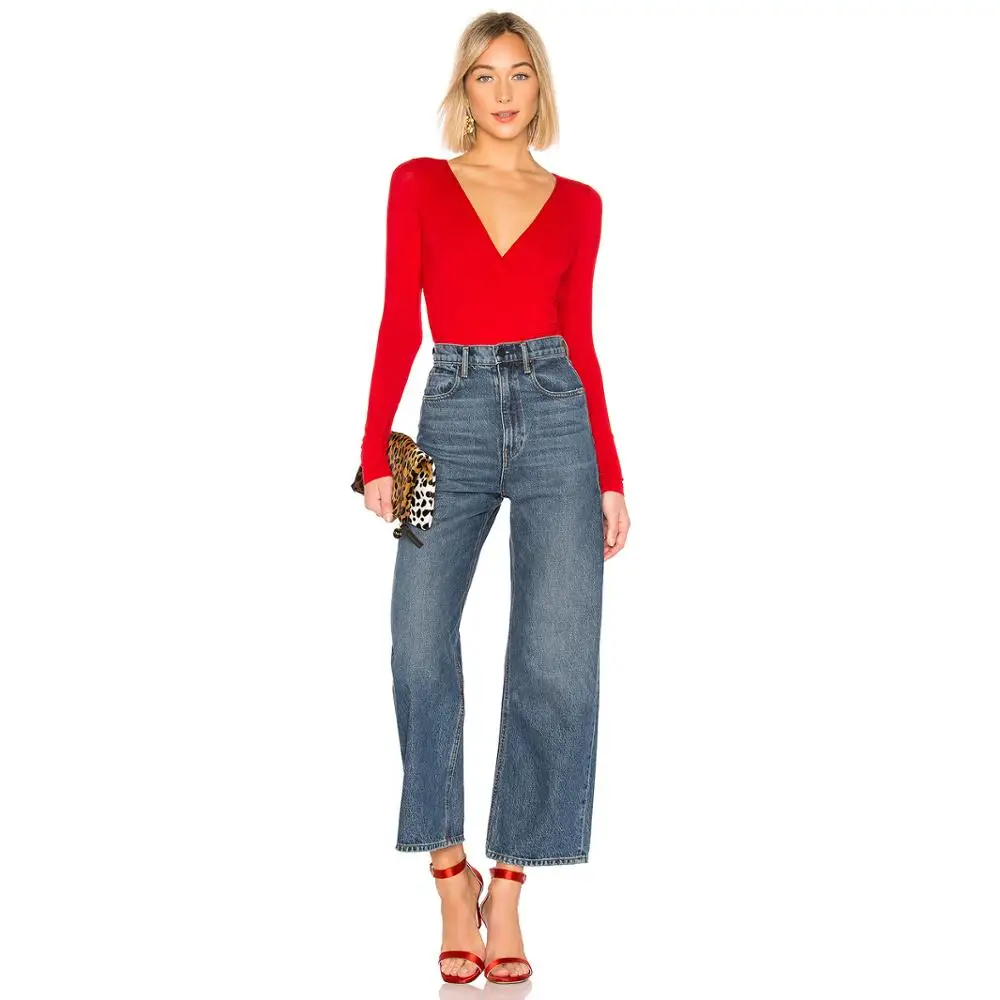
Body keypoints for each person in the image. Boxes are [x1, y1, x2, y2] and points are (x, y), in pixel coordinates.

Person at [358, 11, 631, 985]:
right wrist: (376, 452)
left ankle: (508, 883)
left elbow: (581, 338)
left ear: (539, 86)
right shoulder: (418, 183)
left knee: (557, 660)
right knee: (416, 636)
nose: (504, 92)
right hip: (445, 419)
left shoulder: (580, 203)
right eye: (485, 75)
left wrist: (610, 474)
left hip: (558, 418)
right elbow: (399, 320)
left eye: (520, 74)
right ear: (464, 91)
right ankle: (448, 869)